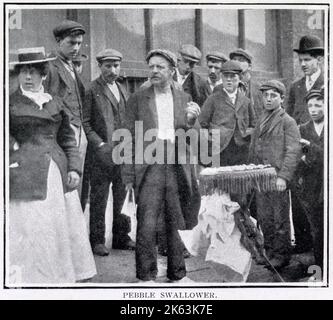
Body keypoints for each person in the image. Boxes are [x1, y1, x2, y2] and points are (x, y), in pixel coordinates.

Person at [8, 47, 96, 284]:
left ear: (43, 74)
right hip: (24, 171)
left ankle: (60, 275)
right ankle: (31, 277)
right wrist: (12, 150)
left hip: (55, 171)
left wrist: (74, 168)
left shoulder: (55, 103)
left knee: (56, 225)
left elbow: (67, 138)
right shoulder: (9, 103)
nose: (28, 77)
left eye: (33, 72)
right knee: (31, 226)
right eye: (24, 72)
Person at [122, 49, 201, 283]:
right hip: (149, 166)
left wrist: (191, 122)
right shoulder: (139, 97)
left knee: (176, 219)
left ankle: (178, 275)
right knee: (147, 220)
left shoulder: (183, 97)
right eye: (151, 67)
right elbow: (126, 135)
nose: (154, 71)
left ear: (172, 71)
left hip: (176, 165)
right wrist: (128, 172)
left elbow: (192, 137)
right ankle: (145, 276)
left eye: (160, 67)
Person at [83, 49, 134, 256]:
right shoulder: (92, 90)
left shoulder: (122, 88)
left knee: (122, 196)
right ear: (100, 67)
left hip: (122, 153)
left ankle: (121, 237)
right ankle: (96, 240)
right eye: (108, 66)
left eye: (116, 66)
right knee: (99, 198)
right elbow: (86, 123)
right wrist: (100, 145)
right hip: (101, 156)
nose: (113, 70)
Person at [248, 80, 301, 270]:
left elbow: (293, 151)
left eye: (273, 95)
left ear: (282, 99)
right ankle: (269, 253)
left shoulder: (288, 122)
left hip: (277, 177)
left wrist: (283, 177)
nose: (269, 99)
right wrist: (251, 172)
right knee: (265, 217)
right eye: (266, 95)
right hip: (261, 178)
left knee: (280, 219)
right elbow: (253, 148)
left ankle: (282, 255)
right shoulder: (261, 119)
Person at [286, 35, 324, 254]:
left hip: (321, 153)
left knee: (319, 203)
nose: (303, 64)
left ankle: (321, 251)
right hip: (300, 151)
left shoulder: (327, 84)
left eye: (308, 59)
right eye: (301, 59)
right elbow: (290, 119)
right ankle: (303, 248)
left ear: (318, 59)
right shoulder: (295, 86)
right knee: (299, 199)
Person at [43, 20, 87, 195]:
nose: (76, 48)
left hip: (78, 128)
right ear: (59, 41)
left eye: (79, 43)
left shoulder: (70, 65)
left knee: (76, 178)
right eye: (71, 43)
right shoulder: (50, 66)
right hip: (64, 131)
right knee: (65, 178)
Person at [199, 60, 256, 168]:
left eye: (233, 76)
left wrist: (246, 135)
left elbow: (253, 124)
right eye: (226, 76)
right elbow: (202, 124)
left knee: (239, 181)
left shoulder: (245, 101)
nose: (229, 80)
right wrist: (210, 141)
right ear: (221, 78)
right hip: (219, 149)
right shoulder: (213, 99)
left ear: (239, 78)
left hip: (240, 150)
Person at [293, 88, 324, 274]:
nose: (313, 109)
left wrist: (311, 149)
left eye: (318, 105)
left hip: (326, 183)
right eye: (310, 105)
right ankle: (319, 266)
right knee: (317, 228)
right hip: (311, 186)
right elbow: (296, 157)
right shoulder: (302, 129)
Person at [229, 48, 263, 118]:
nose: (236, 62)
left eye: (241, 60)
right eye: (234, 60)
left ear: (249, 66)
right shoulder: (225, 87)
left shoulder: (260, 89)